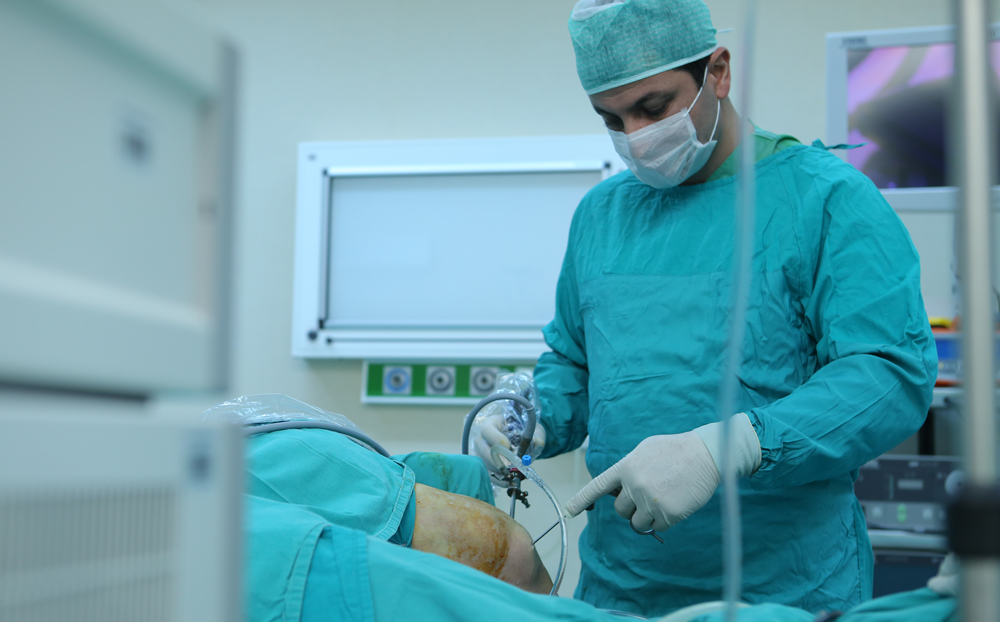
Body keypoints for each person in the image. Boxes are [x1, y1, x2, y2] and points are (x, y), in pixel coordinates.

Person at [469, 0, 937, 617]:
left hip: (784, 591)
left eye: (653, 107)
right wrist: (530, 419)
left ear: (718, 72)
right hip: (622, 587)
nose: (635, 135)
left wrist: (735, 446)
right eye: (611, 118)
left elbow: (888, 374)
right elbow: (576, 365)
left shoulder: (826, 199)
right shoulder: (602, 216)